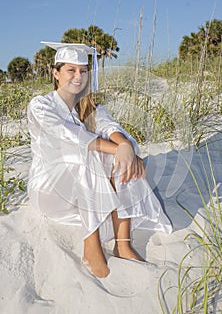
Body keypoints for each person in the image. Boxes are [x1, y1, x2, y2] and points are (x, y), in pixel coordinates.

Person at [27, 41, 172, 279]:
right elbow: (72, 136)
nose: (78, 76)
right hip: (50, 189)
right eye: (70, 70)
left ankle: (122, 245)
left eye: (83, 71)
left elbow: (109, 126)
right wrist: (118, 149)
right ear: (55, 73)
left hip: (84, 191)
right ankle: (91, 245)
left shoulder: (90, 106)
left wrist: (125, 147)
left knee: (122, 154)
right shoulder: (41, 105)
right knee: (87, 153)